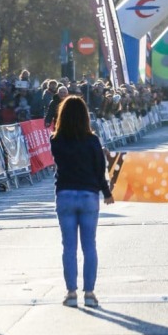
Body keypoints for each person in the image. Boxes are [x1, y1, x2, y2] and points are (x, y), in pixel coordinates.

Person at [50, 95, 114, 308]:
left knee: (68, 247)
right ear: (85, 116)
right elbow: (98, 169)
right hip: (88, 195)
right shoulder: (92, 140)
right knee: (89, 246)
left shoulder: (55, 140)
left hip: (65, 194)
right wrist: (106, 192)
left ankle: (70, 293)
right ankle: (89, 293)